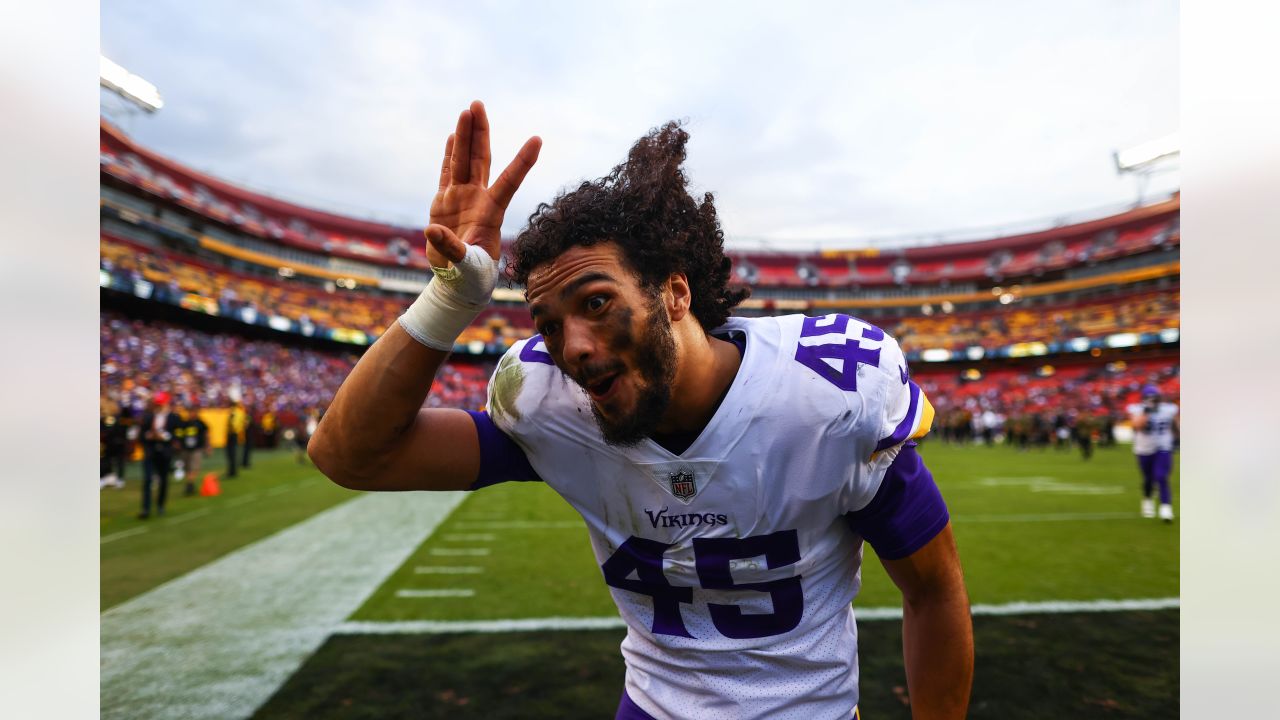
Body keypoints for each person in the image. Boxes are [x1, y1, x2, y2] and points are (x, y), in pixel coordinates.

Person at [309, 101, 973, 719]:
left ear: (675, 293)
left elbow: (933, 591)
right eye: (548, 323)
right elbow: (350, 455)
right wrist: (450, 296)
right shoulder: (555, 408)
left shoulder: (824, 398)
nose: (573, 347)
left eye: (596, 302)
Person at [1128, 385, 1179, 522]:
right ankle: (1147, 499)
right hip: (1144, 449)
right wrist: (1146, 412)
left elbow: (1174, 424)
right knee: (1148, 479)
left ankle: (1166, 508)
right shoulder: (1137, 409)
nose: (1152, 400)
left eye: (1154, 398)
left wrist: (1178, 438)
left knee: (1161, 476)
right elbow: (1136, 426)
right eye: (1149, 398)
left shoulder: (1169, 409)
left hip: (1163, 447)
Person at [139, 390, 181, 518]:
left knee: (163, 480)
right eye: (157, 404)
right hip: (151, 452)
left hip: (165, 453)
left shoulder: (173, 418)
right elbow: (141, 435)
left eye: (161, 403)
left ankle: (160, 505)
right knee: (147, 479)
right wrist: (149, 435)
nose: (159, 406)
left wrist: (164, 437)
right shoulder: (148, 417)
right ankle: (145, 509)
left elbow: (177, 435)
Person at [175, 399, 210, 496]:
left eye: (193, 412)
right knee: (187, 467)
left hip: (197, 448)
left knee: (195, 466)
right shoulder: (184, 423)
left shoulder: (200, 423)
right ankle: (190, 482)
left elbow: (206, 434)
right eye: (190, 412)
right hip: (186, 449)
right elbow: (179, 435)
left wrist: (208, 446)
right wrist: (178, 444)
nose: (192, 414)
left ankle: (190, 483)